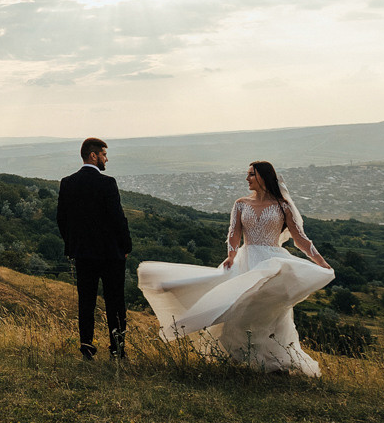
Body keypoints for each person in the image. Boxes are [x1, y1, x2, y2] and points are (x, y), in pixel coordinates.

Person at [134, 159, 335, 375]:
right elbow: (234, 233)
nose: (246, 178)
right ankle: (245, 359)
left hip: (272, 261)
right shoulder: (240, 204)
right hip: (246, 259)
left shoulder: (282, 206)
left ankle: (275, 362)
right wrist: (230, 256)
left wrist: (322, 263)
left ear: (263, 177)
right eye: (247, 174)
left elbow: (300, 239)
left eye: (251, 174)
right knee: (239, 307)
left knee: (269, 311)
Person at [56, 137, 131, 360]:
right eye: (104, 155)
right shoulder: (107, 183)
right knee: (115, 303)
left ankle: (86, 347)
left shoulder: (67, 183)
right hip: (110, 255)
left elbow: (62, 219)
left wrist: (72, 245)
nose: (106, 159)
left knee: (86, 302)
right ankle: (117, 350)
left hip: (83, 254)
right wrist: (126, 245)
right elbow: (118, 218)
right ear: (93, 155)